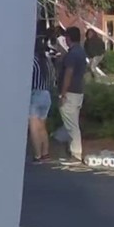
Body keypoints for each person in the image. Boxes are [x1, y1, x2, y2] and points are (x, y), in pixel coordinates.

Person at [57, 26, 87, 165]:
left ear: (68, 38)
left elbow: (68, 74)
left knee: (71, 124)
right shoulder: (81, 52)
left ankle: (75, 153)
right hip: (78, 91)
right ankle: (67, 146)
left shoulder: (72, 54)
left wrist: (62, 94)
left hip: (70, 92)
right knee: (72, 121)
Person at [29, 35, 54, 163]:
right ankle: (45, 153)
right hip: (46, 94)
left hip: (35, 94)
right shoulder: (47, 61)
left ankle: (37, 155)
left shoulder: (32, 61)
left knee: (33, 126)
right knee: (42, 126)